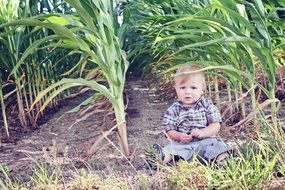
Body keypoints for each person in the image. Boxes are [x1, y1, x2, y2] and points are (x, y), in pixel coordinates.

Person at [146, 64, 232, 168]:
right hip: (183, 145)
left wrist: (203, 132)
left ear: (202, 89)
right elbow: (169, 130)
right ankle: (159, 158)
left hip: (206, 142)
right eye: (182, 87)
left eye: (193, 87)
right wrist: (179, 136)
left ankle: (222, 161)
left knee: (218, 147)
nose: (188, 92)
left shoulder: (206, 105)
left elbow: (216, 125)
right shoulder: (174, 109)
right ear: (176, 89)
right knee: (171, 149)